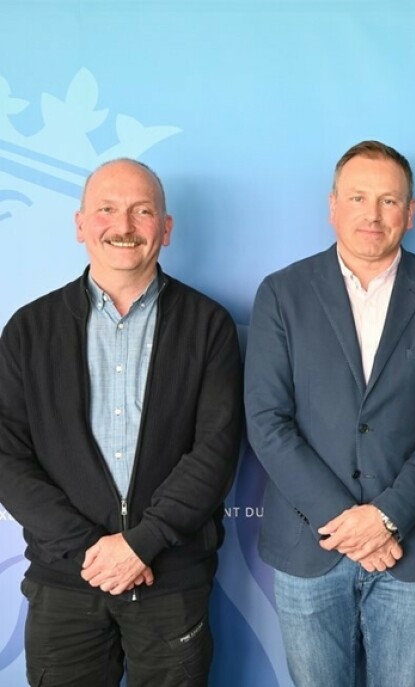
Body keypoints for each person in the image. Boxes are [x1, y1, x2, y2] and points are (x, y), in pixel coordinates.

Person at [244, 140, 415, 686]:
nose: (372, 214)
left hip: (409, 546)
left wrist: (386, 517)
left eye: (388, 201)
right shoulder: (282, 293)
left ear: (410, 212)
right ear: (333, 205)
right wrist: (347, 524)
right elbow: (267, 420)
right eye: (357, 197)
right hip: (310, 547)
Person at [0, 159, 243, 686]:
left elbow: (216, 451)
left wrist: (142, 543)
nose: (124, 226)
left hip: (170, 582)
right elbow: (7, 458)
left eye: (142, 211)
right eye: (106, 210)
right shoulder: (28, 330)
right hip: (66, 582)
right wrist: (90, 550)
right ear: (80, 225)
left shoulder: (209, 325)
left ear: (166, 228)